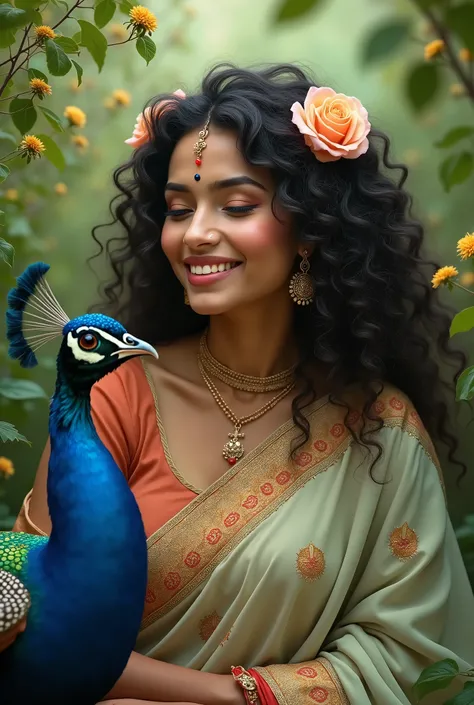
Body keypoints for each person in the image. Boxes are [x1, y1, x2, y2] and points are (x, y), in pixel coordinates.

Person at [7, 63, 474, 705]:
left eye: (236, 205)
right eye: (178, 209)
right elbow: (28, 626)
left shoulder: (376, 431)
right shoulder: (114, 393)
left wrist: (233, 698)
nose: (195, 233)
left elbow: (407, 659)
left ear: (310, 229)